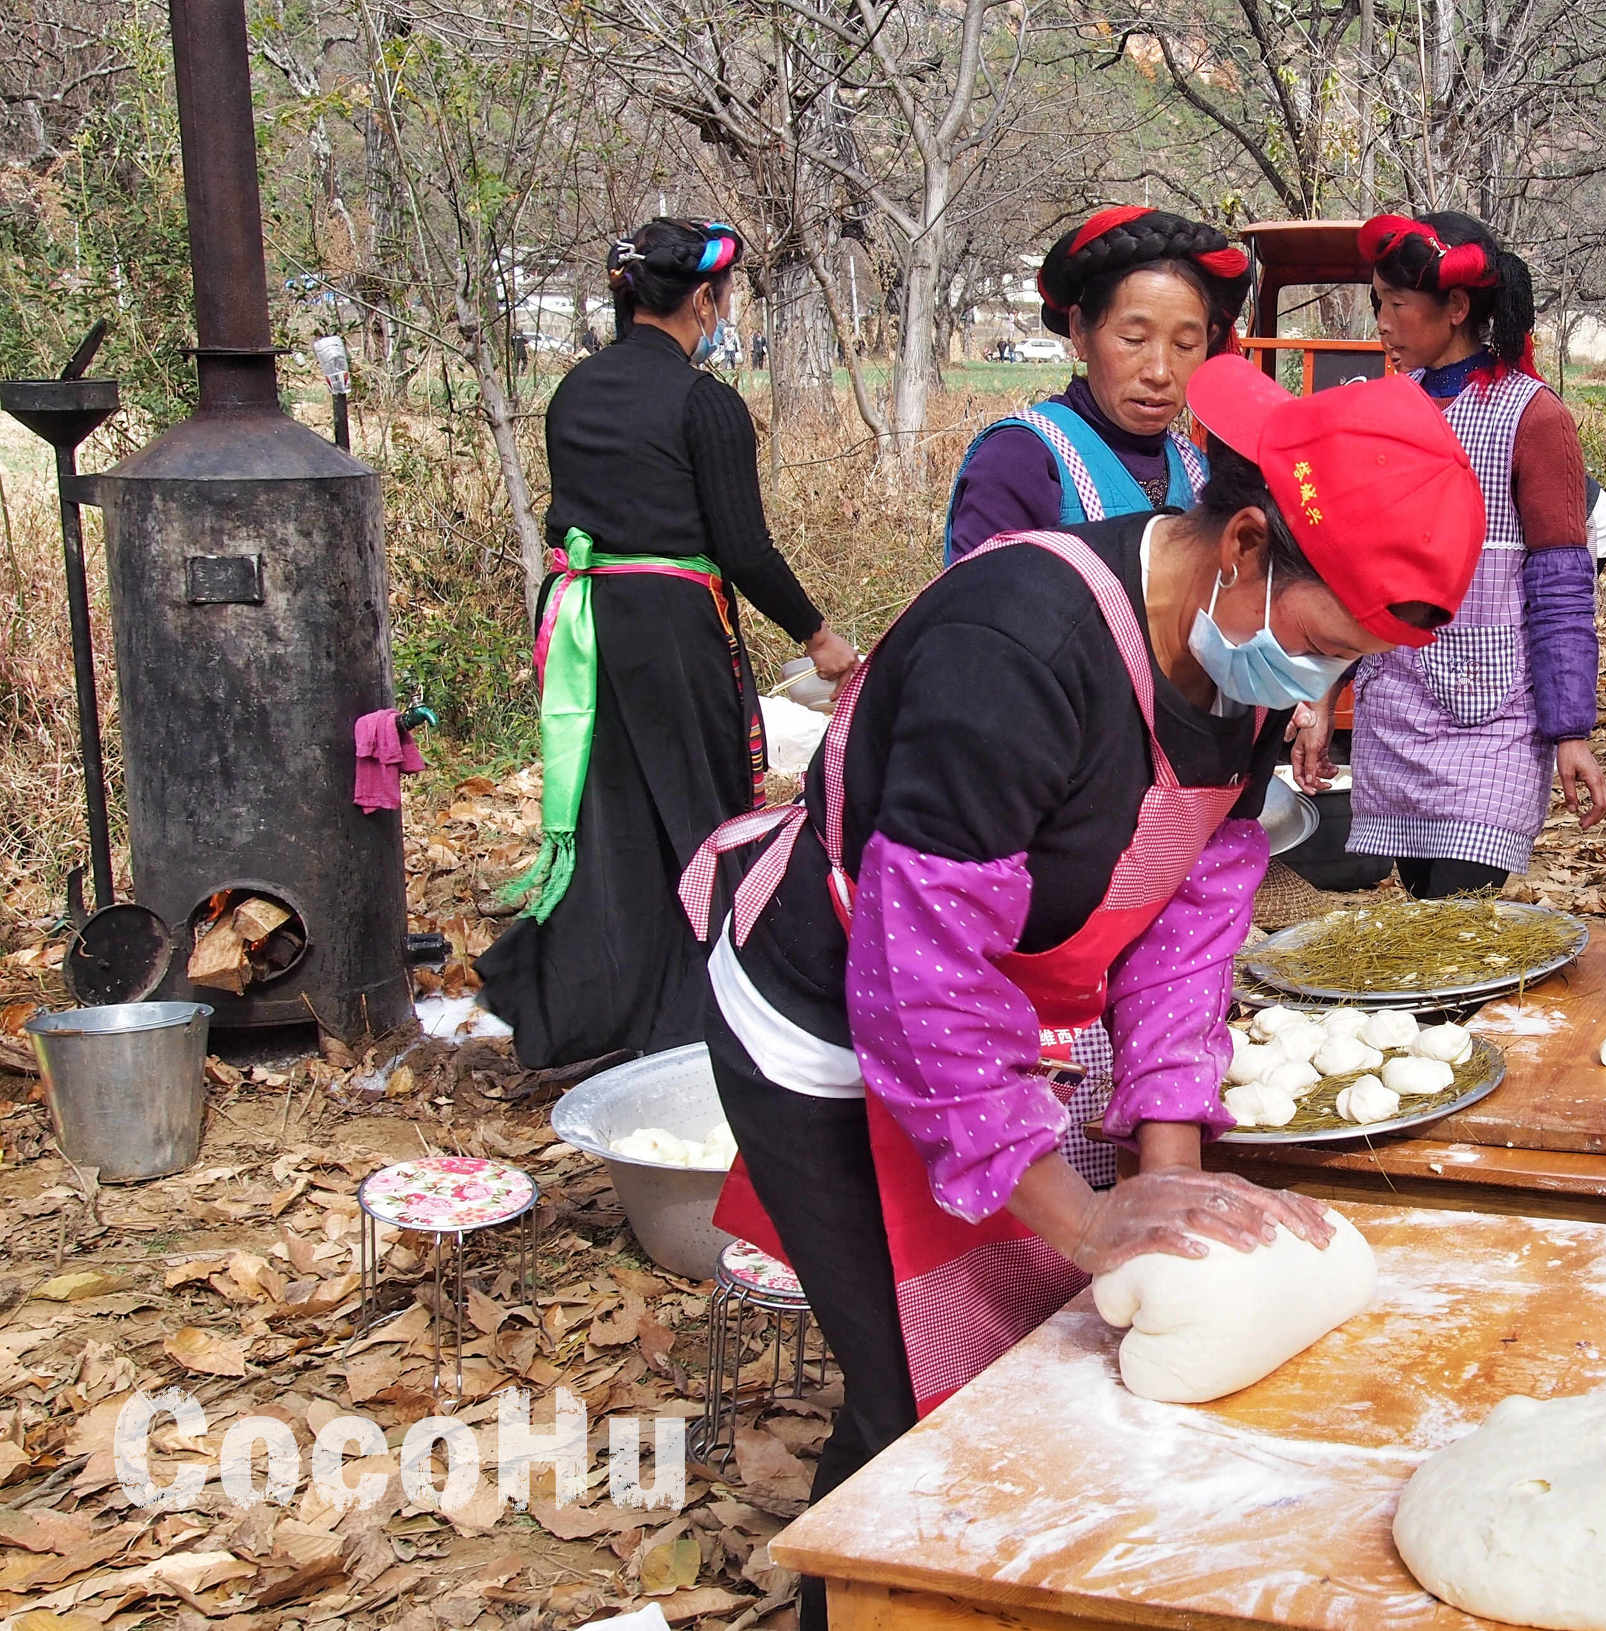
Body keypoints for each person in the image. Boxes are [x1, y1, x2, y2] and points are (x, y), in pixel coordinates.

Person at [675, 355, 1485, 1626]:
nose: (1318, 692)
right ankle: (867, 1595)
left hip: (993, 1008)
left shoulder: (1237, 658)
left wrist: (1167, 1155)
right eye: (1325, 646)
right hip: (831, 1012)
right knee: (916, 1402)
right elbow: (922, 983)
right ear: (1248, 545)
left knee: (1037, 1350)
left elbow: (1194, 903)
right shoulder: (1020, 651)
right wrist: (1086, 1217)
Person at [478, 218, 857, 1068]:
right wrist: (817, 634)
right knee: (699, 812)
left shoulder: (575, 389)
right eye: (725, 297)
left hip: (583, 620)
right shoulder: (704, 402)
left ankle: (594, 1000)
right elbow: (744, 547)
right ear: (701, 298)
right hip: (669, 627)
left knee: (606, 809)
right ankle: (699, 1013)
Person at [1291, 211, 1606, 898]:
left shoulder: (1533, 416)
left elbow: (1560, 586)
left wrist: (1570, 731)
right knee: (1421, 902)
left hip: (1494, 718)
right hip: (1395, 714)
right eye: (1377, 302)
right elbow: (1350, 575)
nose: (1379, 321)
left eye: (1396, 304)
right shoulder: (1379, 409)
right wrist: (1320, 696)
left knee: (1456, 909)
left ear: (1457, 306)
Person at [942, 207, 1252, 562]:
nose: (1160, 372)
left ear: (1209, 341)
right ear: (1079, 330)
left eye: (1185, 346)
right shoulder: (1022, 460)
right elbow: (984, 610)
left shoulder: (1197, 470)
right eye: (1134, 339)